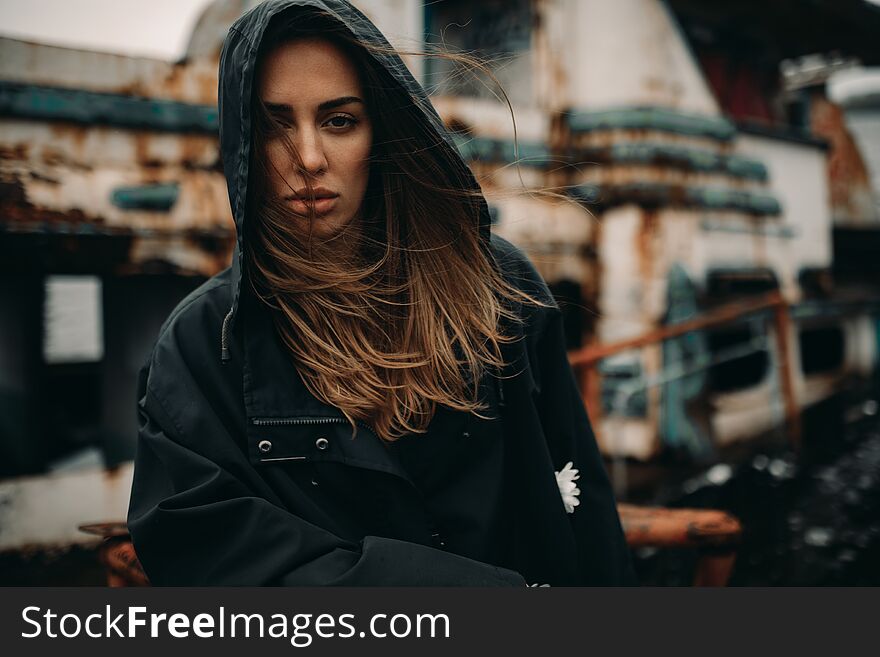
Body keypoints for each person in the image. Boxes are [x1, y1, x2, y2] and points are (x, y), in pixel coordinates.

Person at [126, 0, 636, 586]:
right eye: (274, 125)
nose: (309, 159)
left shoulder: (500, 288)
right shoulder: (202, 344)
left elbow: (584, 509)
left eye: (339, 120)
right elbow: (211, 556)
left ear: (383, 129)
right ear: (242, 143)